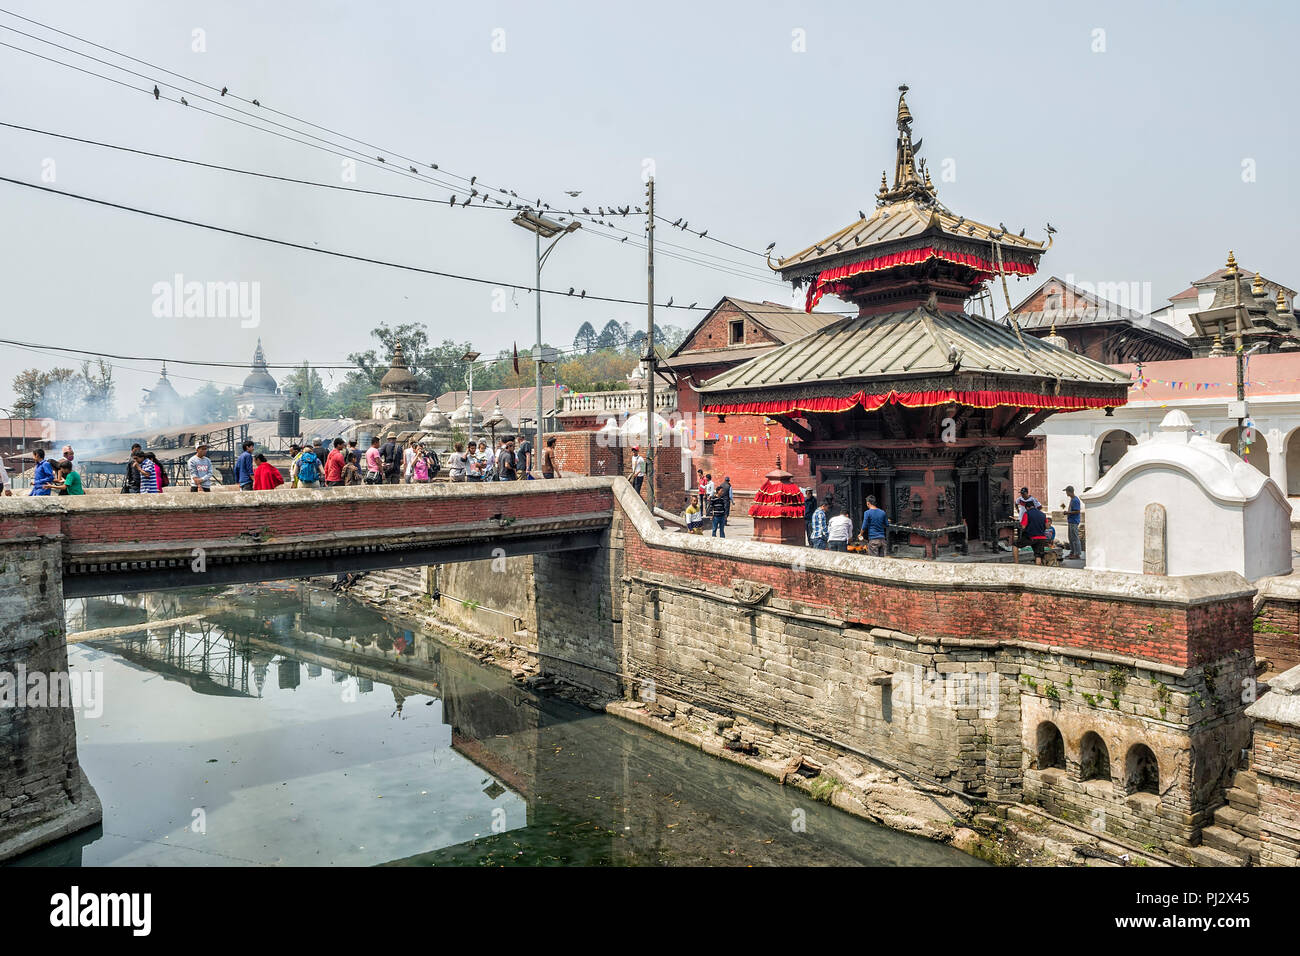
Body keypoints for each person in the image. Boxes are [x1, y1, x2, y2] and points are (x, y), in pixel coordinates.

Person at [1063, 485, 1083, 559]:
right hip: (1071, 521)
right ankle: (1072, 552)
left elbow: (1077, 511)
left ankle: (1077, 553)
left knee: (1074, 537)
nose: (1066, 493)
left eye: (1066, 492)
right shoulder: (1072, 499)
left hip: (1074, 521)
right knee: (1071, 537)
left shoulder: (1075, 500)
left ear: (1069, 492)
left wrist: (1068, 513)